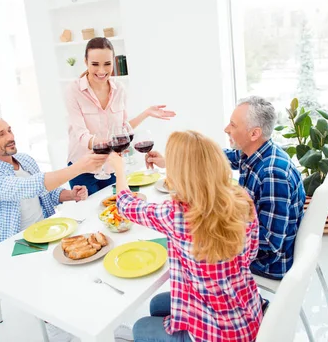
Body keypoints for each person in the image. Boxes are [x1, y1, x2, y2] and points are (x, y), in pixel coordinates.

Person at [109, 131, 263, 342]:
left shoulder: (177, 213)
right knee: (156, 305)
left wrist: (119, 171)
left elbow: (126, 205)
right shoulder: (241, 197)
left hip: (215, 334)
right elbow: (251, 253)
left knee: (140, 327)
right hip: (248, 316)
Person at [146, 96, 305, 280]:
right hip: (253, 245)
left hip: (267, 263)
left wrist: (215, 234)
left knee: (184, 245)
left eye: (233, 125)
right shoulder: (255, 152)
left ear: (254, 133)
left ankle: (202, 302)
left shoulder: (273, 175)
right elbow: (216, 158)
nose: (226, 129)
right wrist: (172, 161)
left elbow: (270, 244)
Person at [0, 113, 107, 247]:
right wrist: (80, 167)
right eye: (1, 134)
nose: (10, 137)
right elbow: (30, 187)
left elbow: (45, 193)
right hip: (15, 245)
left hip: (46, 231)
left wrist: (70, 195)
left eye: (9, 130)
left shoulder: (25, 160)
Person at [65, 37, 175, 195]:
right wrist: (110, 144)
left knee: (115, 211)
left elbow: (123, 129)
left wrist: (146, 113)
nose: (102, 71)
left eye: (107, 64)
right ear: (86, 62)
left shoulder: (119, 89)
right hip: (83, 167)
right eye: (95, 64)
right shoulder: (73, 90)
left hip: (111, 166)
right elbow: (82, 135)